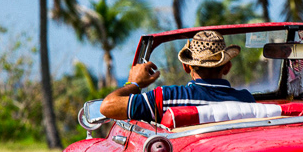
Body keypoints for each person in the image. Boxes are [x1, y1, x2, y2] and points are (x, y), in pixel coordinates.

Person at [100, 30, 255, 122]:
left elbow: (107, 106)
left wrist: (135, 84)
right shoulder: (247, 100)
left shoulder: (166, 98)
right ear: (227, 67)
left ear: (186, 67)